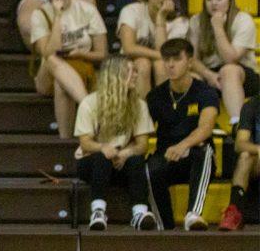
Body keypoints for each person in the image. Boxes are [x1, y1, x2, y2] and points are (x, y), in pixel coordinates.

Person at [74, 56, 157, 230]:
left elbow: (143, 145)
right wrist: (103, 147)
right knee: (101, 157)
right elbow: (85, 143)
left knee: (136, 159)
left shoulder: (139, 105)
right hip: (91, 162)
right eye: (130, 71)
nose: (135, 75)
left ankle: (140, 212)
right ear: (115, 76)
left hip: (121, 161)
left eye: (135, 70)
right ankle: (97, 211)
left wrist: (124, 153)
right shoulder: (90, 103)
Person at [145, 38, 218, 230]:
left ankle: (193, 214)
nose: (170, 64)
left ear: (190, 62)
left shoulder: (205, 92)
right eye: (166, 59)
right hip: (166, 155)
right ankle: (165, 226)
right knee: (149, 166)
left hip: (193, 154)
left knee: (206, 152)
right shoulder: (155, 96)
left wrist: (183, 145)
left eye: (176, 59)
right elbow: (142, 130)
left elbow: (206, 128)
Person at [29, 0, 108, 139]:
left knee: (61, 84)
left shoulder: (88, 10)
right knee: (52, 59)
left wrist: (80, 54)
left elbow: (102, 53)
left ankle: (65, 140)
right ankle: (89, 106)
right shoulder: (39, 14)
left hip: (81, 67)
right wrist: (58, 16)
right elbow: (47, 52)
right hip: (46, 73)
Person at [187, 0, 258, 123]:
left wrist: (218, 27)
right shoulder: (196, 20)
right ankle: (189, 127)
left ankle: (238, 125)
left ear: (229, 0)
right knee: (189, 77)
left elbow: (231, 58)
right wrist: (209, 75)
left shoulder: (243, 20)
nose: (213, 3)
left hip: (242, 74)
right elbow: (191, 59)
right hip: (210, 73)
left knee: (228, 70)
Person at [117, 0, 188, 94]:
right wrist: (161, 55)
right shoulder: (131, 11)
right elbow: (128, 48)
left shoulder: (180, 22)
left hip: (164, 66)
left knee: (161, 66)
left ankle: (163, 111)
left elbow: (164, 50)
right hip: (127, 63)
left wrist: (161, 18)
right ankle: (142, 112)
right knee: (143, 64)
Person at [222, 95, 260, 231]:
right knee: (245, 156)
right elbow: (240, 144)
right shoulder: (252, 106)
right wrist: (258, 149)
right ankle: (234, 211)